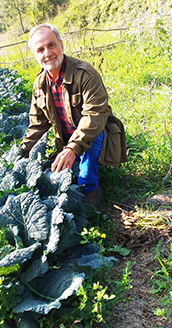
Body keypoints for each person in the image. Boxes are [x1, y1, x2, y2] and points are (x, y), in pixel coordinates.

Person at [21, 23, 128, 206]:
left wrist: (72, 148)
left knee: (85, 179)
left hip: (94, 133)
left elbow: (94, 116)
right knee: (60, 177)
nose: (47, 53)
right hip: (67, 139)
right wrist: (21, 153)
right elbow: (37, 124)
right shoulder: (40, 84)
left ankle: (93, 194)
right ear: (35, 56)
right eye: (40, 50)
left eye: (51, 45)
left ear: (61, 45)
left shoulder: (85, 74)